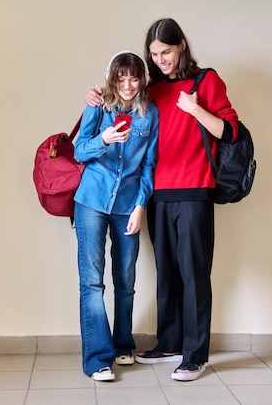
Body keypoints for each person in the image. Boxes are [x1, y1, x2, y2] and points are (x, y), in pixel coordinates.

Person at [84, 18, 239, 381]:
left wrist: (195, 109)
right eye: (154, 54)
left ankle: (195, 353)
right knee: (166, 272)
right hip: (157, 193)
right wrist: (93, 96)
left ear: (181, 44)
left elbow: (231, 130)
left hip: (194, 190)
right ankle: (169, 342)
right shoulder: (151, 89)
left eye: (165, 52)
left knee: (194, 273)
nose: (160, 59)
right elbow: (119, 102)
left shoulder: (206, 81)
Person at [74, 50, 159, 381]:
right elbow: (80, 151)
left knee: (126, 281)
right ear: (112, 78)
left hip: (128, 207)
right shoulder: (98, 106)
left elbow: (149, 165)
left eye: (134, 77)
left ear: (141, 79)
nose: (127, 84)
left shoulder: (149, 115)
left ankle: (123, 345)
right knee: (92, 282)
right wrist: (103, 139)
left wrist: (140, 205)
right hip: (91, 202)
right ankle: (97, 359)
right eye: (121, 78)